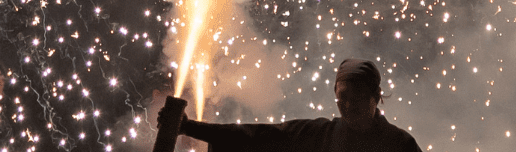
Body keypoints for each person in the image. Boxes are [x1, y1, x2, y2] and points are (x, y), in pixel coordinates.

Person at [161, 58, 424, 152]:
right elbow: (257, 136)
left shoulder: (400, 145)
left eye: (355, 97)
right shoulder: (320, 134)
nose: (346, 105)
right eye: (342, 97)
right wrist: (189, 127)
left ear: (375, 97)